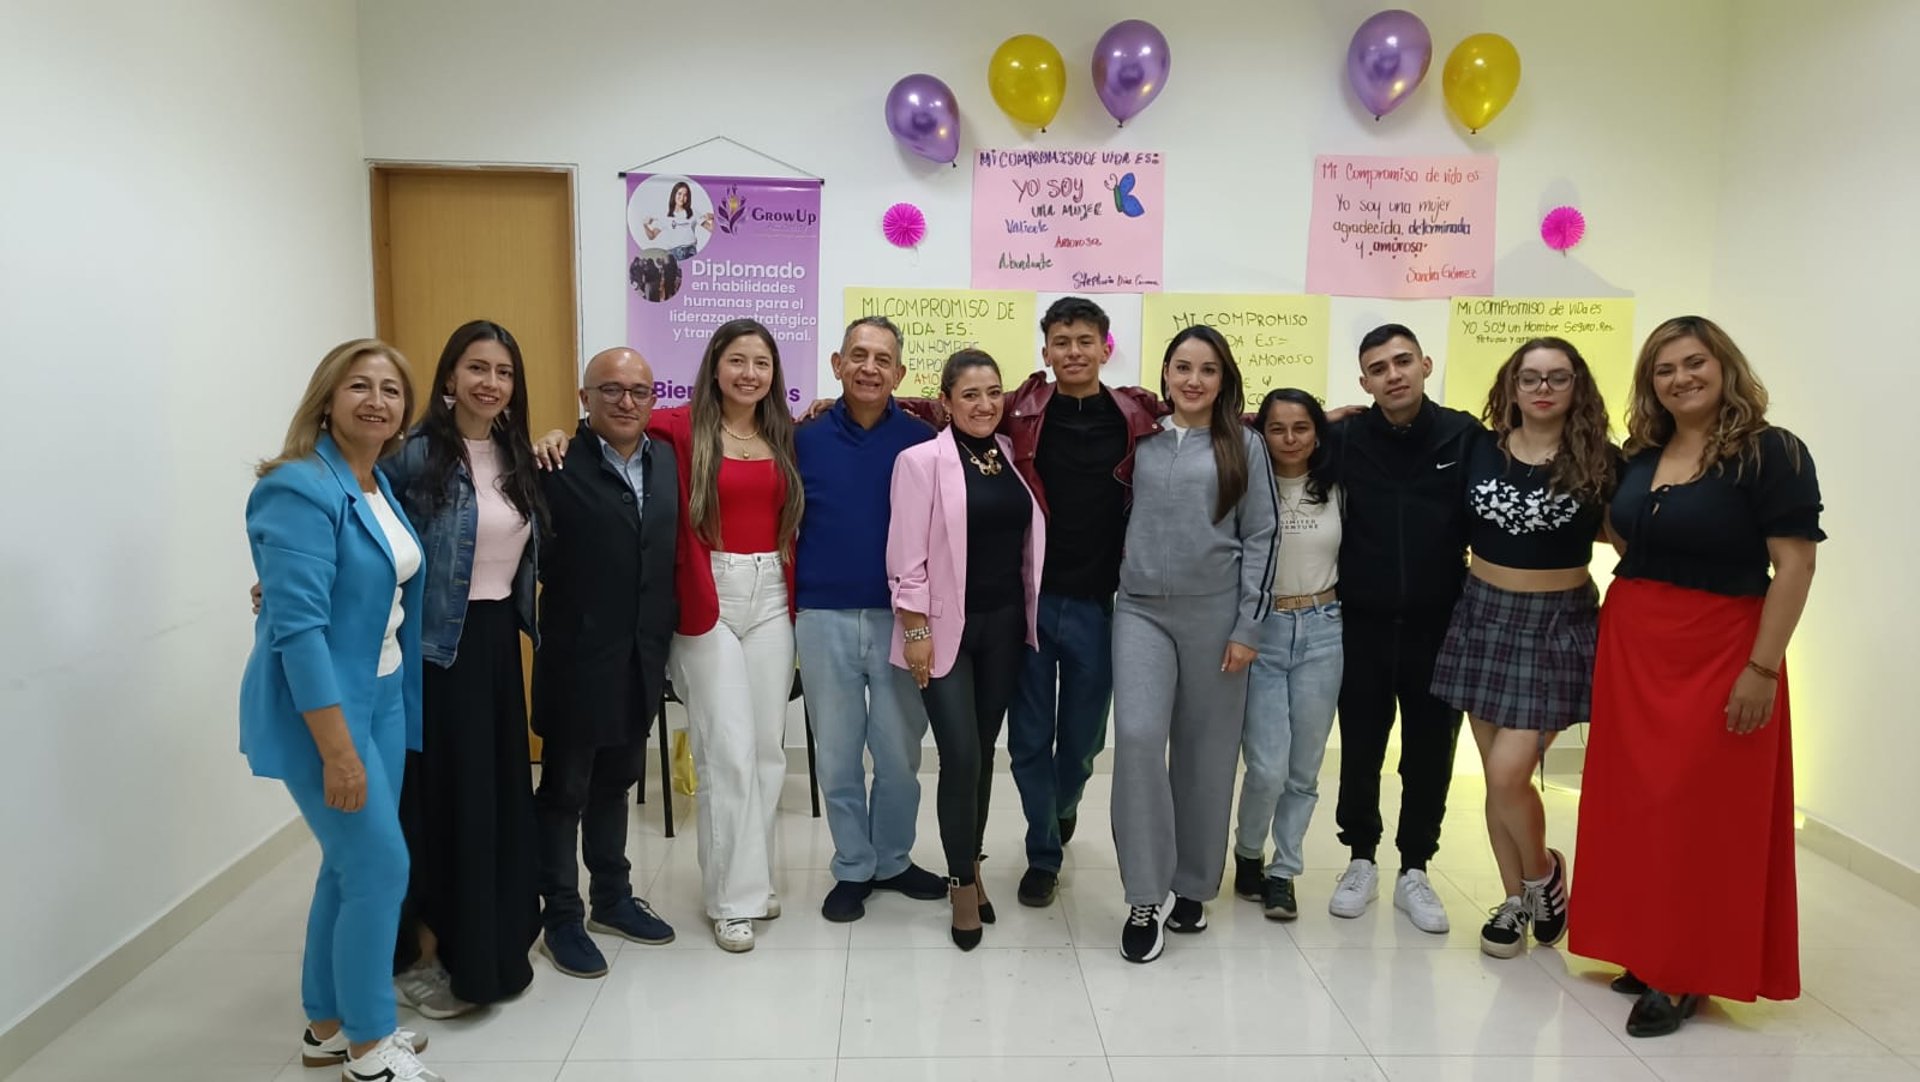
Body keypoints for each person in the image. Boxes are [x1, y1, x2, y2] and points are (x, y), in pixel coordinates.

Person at [1570, 316, 1822, 1038]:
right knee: (1638, 804)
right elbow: (1628, 530)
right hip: (1636, 643)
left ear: (1724, 366)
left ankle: (1686, 970)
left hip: (1720, 648)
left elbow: (1796, 566)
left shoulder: (1772, 453)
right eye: (1664, 370)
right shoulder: (1645, 451)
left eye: (1693, 363)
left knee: (1703, 812)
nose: (1680, 378)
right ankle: (1644, 949)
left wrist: (1762, 669)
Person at [240, 339, 442, 1081]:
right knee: (381, 868)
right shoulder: (298, 485)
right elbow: (296, 629)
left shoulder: (375, 483)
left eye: (392, 390)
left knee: (348, 865)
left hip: (383, 693)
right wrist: (336, 749)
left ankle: (326, 1026)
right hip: (324, 708)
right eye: (360, 385)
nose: (377, 401)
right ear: (327, 398)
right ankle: (370, 1045)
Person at [1428, 338, 1615, 959]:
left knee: (1513, 772)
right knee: (1496, 778)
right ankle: (1514, 902)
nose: (1542, 388)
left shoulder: (1600, 461)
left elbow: (1638, 538)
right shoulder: (1478, 446)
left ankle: (1542, 876)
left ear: (1575, 387)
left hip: (1556, 623)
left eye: (1556, 378)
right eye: (1530, 377)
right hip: (1483, 615)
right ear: (1511, 386)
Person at [379, 321, 545, 1015]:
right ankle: (427, 952)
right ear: (448, 377)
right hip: (435, 652)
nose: (490, 383)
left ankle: (493, 942)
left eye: (503, 372)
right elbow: (364, 530)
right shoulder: (413, 456)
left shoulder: (517, 454)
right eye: (476, 368)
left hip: (497, 643)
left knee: (497, 799)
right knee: (441, 803)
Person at [1112, 326, 1277, 964]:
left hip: (1217, 620)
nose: (1193, 380)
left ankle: (1192, 888)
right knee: (1137, 740)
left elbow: (1263, 538)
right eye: (1182, 367)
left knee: (1207, 757)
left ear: (1223, 379)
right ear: (1165, 373)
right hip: (1140, 614)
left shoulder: (1246, 446)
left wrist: (1247, 628)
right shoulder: (1142, 438)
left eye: (1207, 370)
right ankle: (1145, 894)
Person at [1003, 297, 1162, 909]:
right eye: (1061, 342)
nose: (1072, 351)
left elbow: (1212, 416)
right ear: (1046, 351)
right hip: (1032, 601)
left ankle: (1060, 806)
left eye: (1084, 341)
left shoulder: (1136, 416)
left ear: (1104, 347)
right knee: (1028, 739)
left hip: (1101, 604)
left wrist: (1317, 416)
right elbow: (948, 405)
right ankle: (1043, 850)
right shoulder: (1019, 414)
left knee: (1083, 743)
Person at [1321, 324, 1480, 935]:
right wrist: (1320, 414)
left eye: (1403, 361)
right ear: (1364, 382)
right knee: (1360, 748)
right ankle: (1360, 858)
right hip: (1359, 623)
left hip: (1441, 626)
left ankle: (1416, 866)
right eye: (1379, 368)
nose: (1393, 375)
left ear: (1425, 364)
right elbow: (1275, 438)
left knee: (1429, 753)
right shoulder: (1344, 437)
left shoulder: (1464, 436)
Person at [526, 346, 680, 979]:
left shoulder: (666, 460)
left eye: (639, 391)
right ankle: (559, 914)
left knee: (616, 782)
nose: (626, 402)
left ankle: (611, 897)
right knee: (564, 791)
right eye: (610, 390)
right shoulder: (552, 464)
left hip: (641, 656)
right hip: (575, 656)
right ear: (584, 398)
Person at [653, 318, 804, 953]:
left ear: (774, 375)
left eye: (761, 363)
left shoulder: (784, 435)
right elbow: (612, 426)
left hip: (771, 592)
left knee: (767, 748)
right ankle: (731, 901)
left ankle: (752, 876)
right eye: (737, 360)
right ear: (715, 365)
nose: (749, 373)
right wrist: (559, 433)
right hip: (708, 592)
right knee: (728, 750)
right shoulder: (680, 428)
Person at [886, 349, 1046, 950]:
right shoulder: (920, 461)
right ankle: (959, 885)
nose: (984, 405)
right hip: (943, 632)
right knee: (959, 757)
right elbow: (905, 560)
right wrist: (917, 633)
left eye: (993, 393)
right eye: (971, 395)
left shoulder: (1006, 456)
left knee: (983, 752)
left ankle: (971, 865)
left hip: (1003, 628)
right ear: (946, 401)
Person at [794, 317, 947, 922]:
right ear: (836, 364)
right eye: (858, 355)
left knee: (898, 755)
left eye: (883, 359)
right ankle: (852, 866)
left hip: (899, 619)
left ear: (900, 374)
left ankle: (894, 859)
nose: (869, 368)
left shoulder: (921, 441)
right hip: (822, 614)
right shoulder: (801, 438)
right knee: (836, 756)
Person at [1231, 388, 1342, 923]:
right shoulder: (1247, 486)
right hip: (1264, 630)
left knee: (1304, 768)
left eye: (1302, 427)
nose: (1291, 438)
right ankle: (1247, 850)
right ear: (1262, 433)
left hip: (1324, 630)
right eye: (1278, 428)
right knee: (1267, 766)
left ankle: (1284, 871)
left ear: (1318, 432)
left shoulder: (1338, 487)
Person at [642, 180, 711, 261]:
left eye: (685, 195)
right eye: (679, 193)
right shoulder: (665, 214)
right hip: (673, 254)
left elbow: (711, 228)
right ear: (674, 194)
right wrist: (645, 225)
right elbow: (652, 236)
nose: (682, 198)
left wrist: (713, 217)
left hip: (690, 252)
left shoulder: (693, 212)